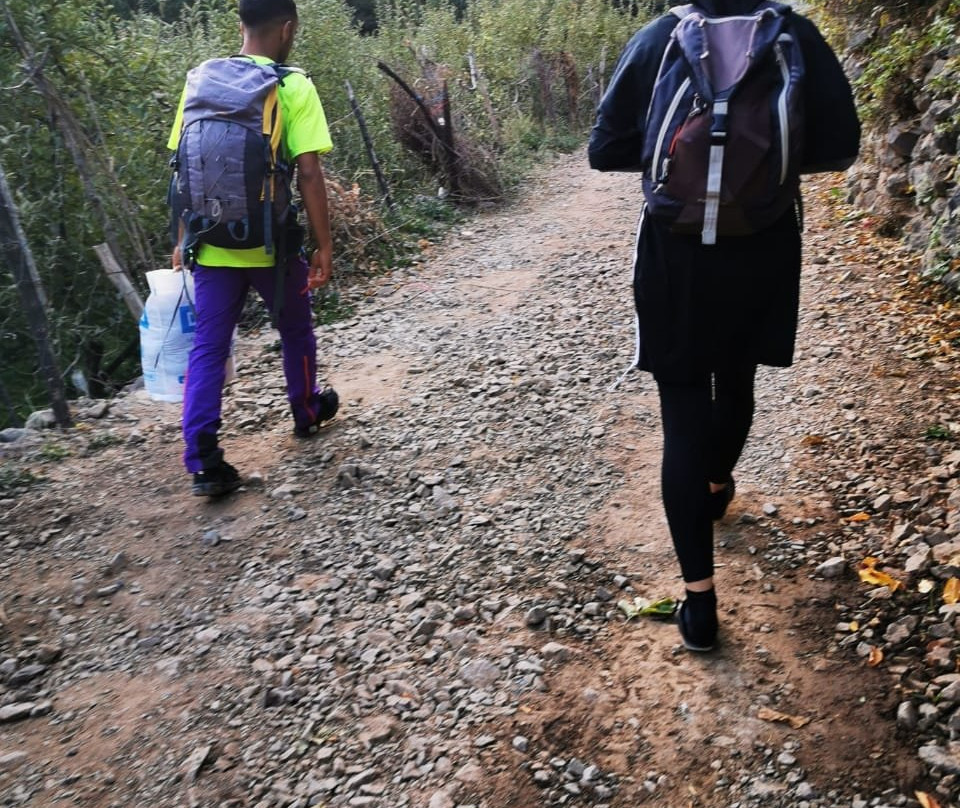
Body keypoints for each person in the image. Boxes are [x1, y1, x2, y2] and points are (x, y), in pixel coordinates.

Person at [588, 0, 860, 651]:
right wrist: (753, 167)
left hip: (672, 254)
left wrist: (686, 163)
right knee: (737, 380)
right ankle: (716, 486)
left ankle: (699, 606)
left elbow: (605, 149)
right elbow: (841, 146)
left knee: (682, 416)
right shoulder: (794, 37)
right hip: (763, 245)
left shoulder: (659, 37)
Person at [167, 0, 339, 498]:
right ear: (287, 29)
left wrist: (181, 239)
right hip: (272, 248)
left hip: (211, 245)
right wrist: (324, 245)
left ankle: (202, 460)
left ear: (239, 26)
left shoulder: (199, 81)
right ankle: (306, 411)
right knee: (295, 328)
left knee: (208, 348)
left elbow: (184, 168)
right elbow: (308, 172)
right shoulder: (292, 85)